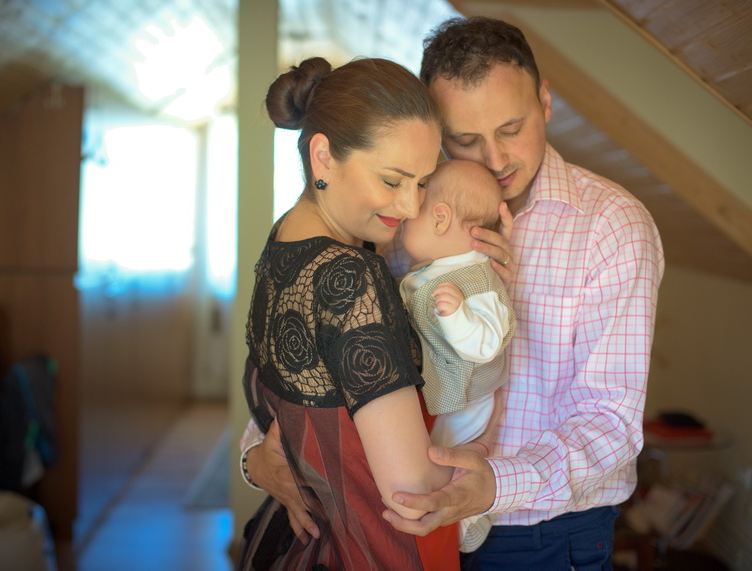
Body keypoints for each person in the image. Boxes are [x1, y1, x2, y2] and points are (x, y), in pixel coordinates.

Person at [244, 15, 666, 571]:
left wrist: (494, 483)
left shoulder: (612, 226)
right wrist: (257, 456)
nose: (494, 160)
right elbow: (315, 349)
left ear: (544, 101)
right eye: (465, 140)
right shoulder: (403, 212)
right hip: (402, 524)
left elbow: (611, 420)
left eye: (511, 129)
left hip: (541, 536)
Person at [236, 55, 461, 570]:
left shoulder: (284, 238)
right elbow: (412, 490)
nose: (410, 207)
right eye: (392, 180)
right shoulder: (349, 275)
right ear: (323, 157)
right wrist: (490, 463)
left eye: (423, 182)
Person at [398, 159, 516, 553]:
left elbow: (487, 343)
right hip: (443, 392)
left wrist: (457, 317)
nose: (402, 224)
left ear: (440, 218)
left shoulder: (478, 279)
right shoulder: (433, 270)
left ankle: (468, 522)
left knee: (447, 459)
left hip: (466, 401)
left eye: (409, 218)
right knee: (432, 453)